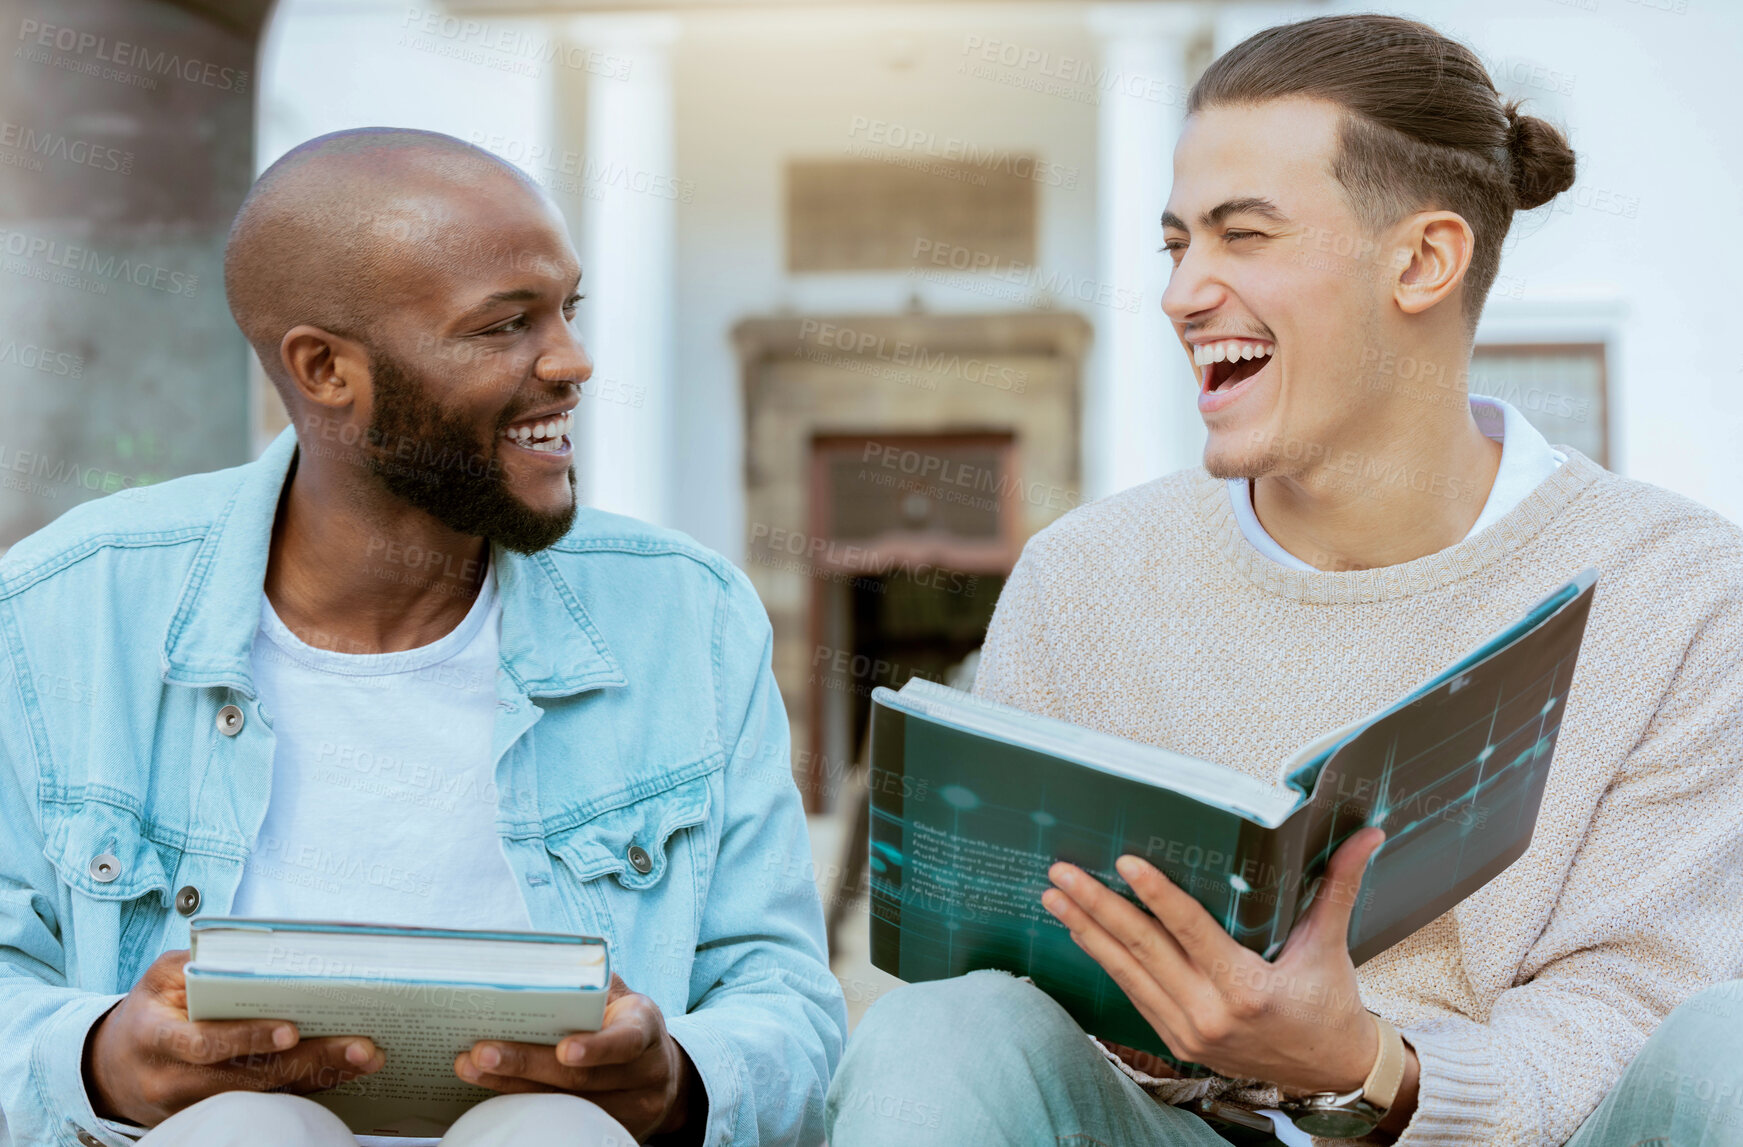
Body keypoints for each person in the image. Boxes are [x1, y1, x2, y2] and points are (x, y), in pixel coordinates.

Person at [826, 14, 1743, 1147]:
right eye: (1177, 246)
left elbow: (1636, 1006)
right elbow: (1002, 993)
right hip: (1173, 1129)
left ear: (1423, 260)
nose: (1182, 293)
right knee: (939, 1035)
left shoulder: (1681, 590)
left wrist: (1365, 1068)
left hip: (1522, 1131)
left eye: (1243, 236)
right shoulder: (1084, 578)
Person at [0, 128, 845, 1147]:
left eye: (566, 310)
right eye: (504, 326)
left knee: (553, 1135)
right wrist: (98, 1059)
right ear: (326, 369)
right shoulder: (59, 612)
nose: (572, 362)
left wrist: (680, 1082)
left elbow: (786, 1000)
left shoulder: (687, 616)